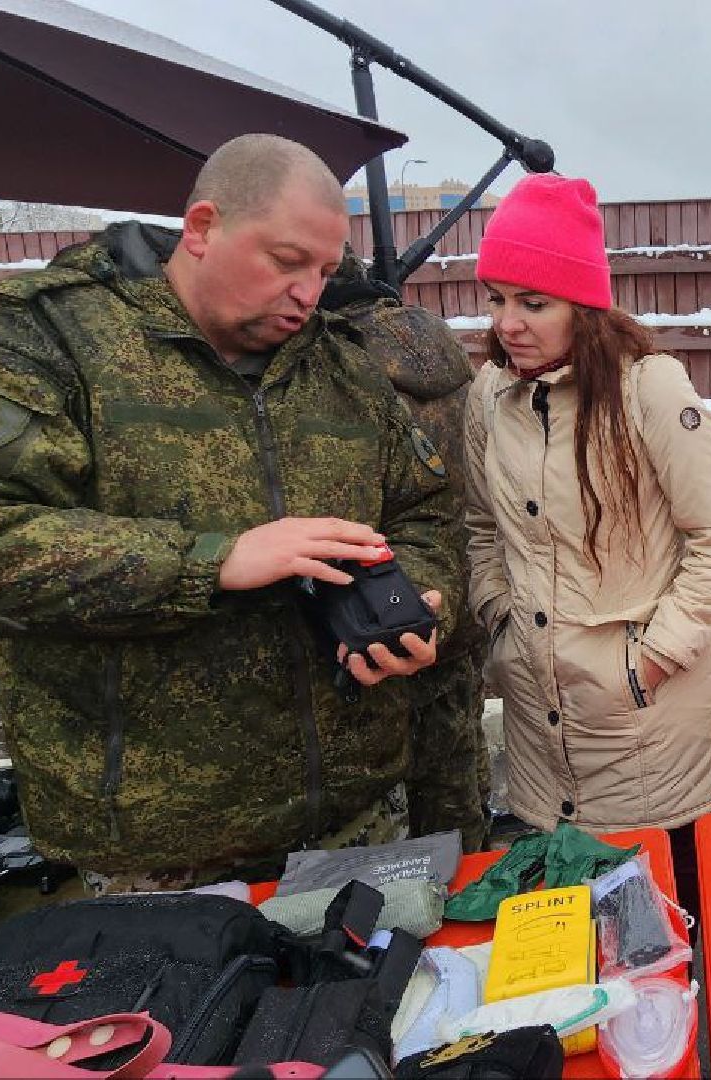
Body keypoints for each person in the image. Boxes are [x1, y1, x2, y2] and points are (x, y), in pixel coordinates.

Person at [0, 134, 464, 891]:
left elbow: (423, 516)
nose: (309, 291)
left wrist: (425, 601)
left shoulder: (341, 365)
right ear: (202, 228)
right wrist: (207, 563)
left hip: (355, 820)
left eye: (326, 271)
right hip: (158, 855)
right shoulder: (49, 342)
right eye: (287, 260)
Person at [462, 174, 711, 910]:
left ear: (583, 306)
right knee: (566, 943)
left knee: (665, 927)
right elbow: (479, 528)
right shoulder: (488, 398)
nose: (508, 324)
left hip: (647, 725)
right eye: (496, 298)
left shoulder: (649, 389)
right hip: (536, 719)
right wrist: (498, 617)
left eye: (534, 302)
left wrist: (650, 661)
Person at [322, 249, 490, 851]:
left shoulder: (338, 365)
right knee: (458, 765)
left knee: (400, 807)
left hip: (392, 608)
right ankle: (474, 876)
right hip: (465, 592)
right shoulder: (436, 342)